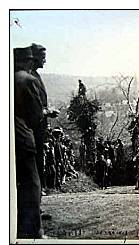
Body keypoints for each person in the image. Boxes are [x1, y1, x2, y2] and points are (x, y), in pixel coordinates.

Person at [14, 47, 44, 238]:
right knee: (31, 183)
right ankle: (33, 231)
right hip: (23, 137)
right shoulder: (28, 80)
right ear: (28, 61)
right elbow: (35, 115)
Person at [30, 43, 59, 196]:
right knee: (35, 161)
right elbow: (32, 105)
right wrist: (48, 111)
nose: (45, 61)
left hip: (39, 125)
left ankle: (37, 197)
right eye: (42, 58)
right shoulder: (30, 77)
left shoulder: (36, 75)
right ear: (33, 58)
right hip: (33, 126)